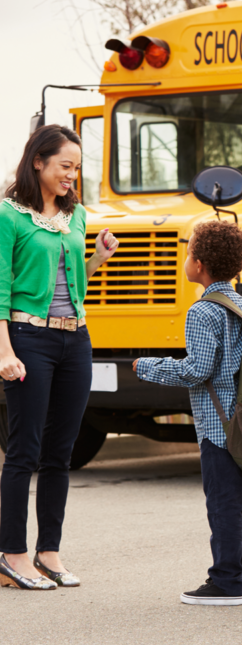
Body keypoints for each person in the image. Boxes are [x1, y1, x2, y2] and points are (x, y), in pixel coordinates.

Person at [0, 124, 119, 591]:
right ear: (38, 163)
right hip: (29, 339)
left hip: (76, 339)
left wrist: (97, 260)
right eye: (65, 166)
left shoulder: (78, 217)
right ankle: (12, 554)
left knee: (60, 453)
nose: (72, 175)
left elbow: (74, 287)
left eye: (76, 168)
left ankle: (49, 552)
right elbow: (1, 290)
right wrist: (5, 350)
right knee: (23, 451)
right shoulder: (9, 216)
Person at [134, 221, 242, 606]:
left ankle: (226, 580)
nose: (186, 258)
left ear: (200, 264)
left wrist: (148, 367)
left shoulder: (202, 311)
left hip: (218, 424)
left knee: (223, 501)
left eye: (189, 250)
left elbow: (197, 370)